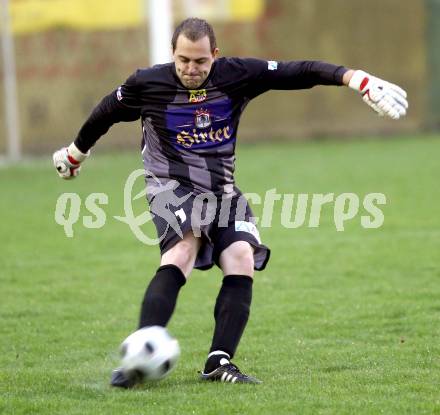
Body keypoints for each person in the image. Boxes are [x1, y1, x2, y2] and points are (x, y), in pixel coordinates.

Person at [53, 17, 408, 386]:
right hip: (170, 187)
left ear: (215, 56)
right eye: (183, 60)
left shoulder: (236, 75)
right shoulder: (148, 83)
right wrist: (76, 154)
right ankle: (140, 352)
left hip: (222, 190)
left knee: (241, 257)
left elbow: (296, 71)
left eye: (200, 62)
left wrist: (355, 79)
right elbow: (105, 113)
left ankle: (218, 362)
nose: (191, 69)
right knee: (182, 251)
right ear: (172, 54)